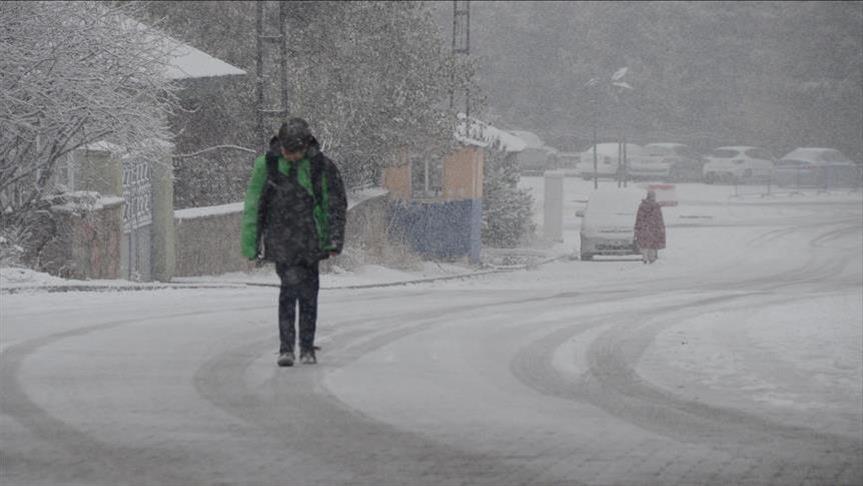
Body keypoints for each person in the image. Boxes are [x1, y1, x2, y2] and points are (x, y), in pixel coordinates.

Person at [241, 118, 347, 367]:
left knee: (309, 294)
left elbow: (335, 205)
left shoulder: (321, 167)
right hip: (281, 238)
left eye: (294, 152)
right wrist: (250, 245)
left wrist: (334, 240)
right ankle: (286, 348)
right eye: (287, 152)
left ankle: (307, 347)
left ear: (305, 147)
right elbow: (253, 207)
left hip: (311, 239)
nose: (290, 157)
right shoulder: (266, 165)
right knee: (288, 290)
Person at [634, 189, 665, 264]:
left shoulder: (642, 205)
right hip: (653, 228)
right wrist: (661, 227)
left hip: (645, 228)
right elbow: (659, 219)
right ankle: (651, 259)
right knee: (652, 245)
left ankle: (645, 258)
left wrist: (637, 227)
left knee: (645, 244)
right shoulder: (656, 206)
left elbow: (639, 218)